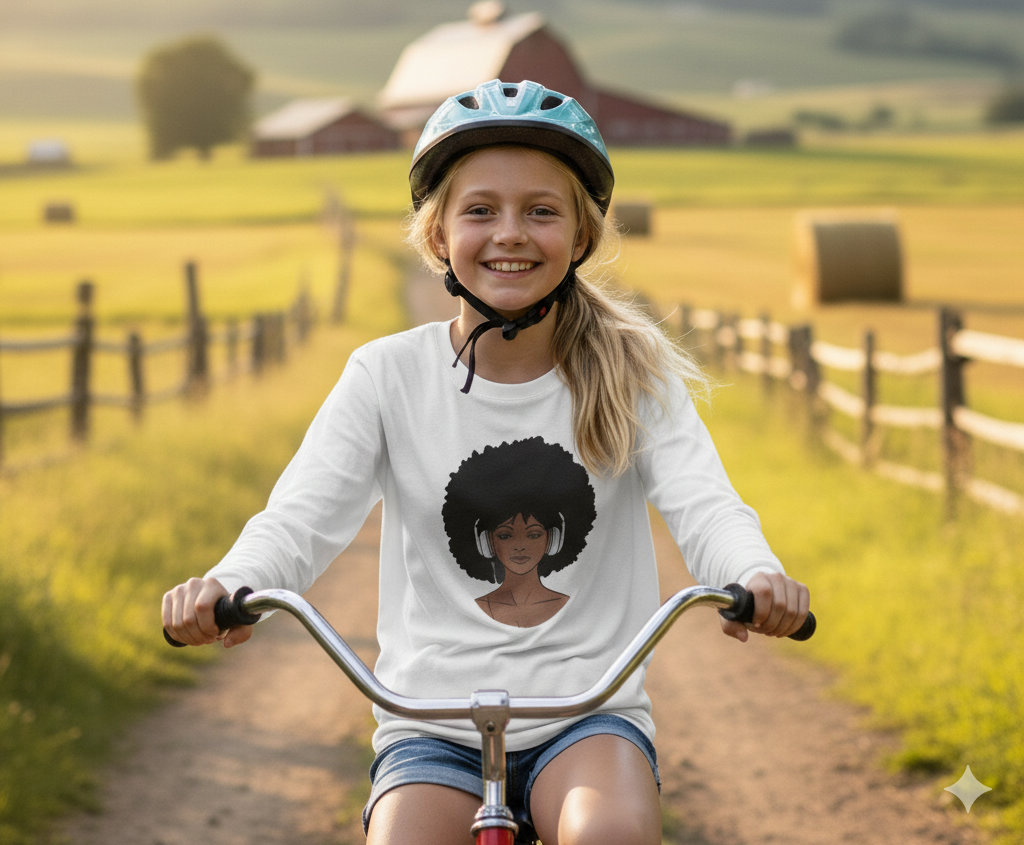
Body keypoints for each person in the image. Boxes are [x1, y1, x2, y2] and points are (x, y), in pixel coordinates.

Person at [163, 78, 810, 845]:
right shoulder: (385, 375)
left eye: (542, 211)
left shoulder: (635, 371)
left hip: (587, 712)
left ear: (581, 238)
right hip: (428, 720)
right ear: (437, 236)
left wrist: (754, 571)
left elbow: (704, 501)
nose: (511, 233)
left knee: (610, 834)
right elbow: (300, 515)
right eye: (480, 211)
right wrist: (236, 584)